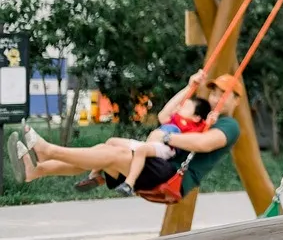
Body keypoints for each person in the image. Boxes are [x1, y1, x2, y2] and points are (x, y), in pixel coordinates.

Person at [6, 71, 243, 197]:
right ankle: (37, 170)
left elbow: (204, 143)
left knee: (113, 156)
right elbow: (163, 117)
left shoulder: (228, 124)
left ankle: (48, 150)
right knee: (103, 150)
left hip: (172, 175)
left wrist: (168, 137)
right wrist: (190, 86)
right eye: (213, 92)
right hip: (157, 162)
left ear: (236, 100)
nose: (215, 97)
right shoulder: (201, 113)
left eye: (223, 94)